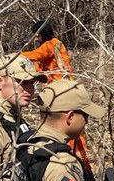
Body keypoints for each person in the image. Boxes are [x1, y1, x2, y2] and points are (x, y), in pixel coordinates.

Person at [21, 20, 92, 171]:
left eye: (37, 35)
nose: (35, 38)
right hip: (63, 88)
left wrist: (16, 56)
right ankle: (82, 164)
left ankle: (78, 164)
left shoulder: (51, 44)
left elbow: (35, 55)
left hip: (59, 92)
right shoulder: (56, 43)